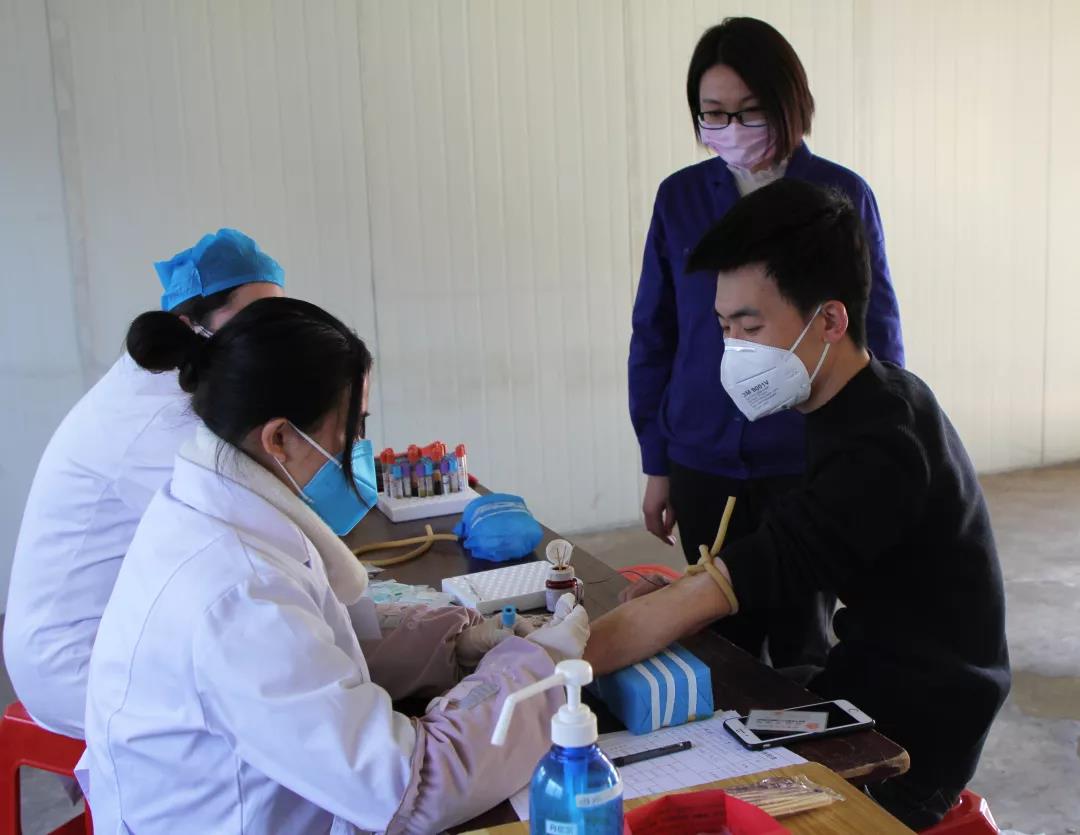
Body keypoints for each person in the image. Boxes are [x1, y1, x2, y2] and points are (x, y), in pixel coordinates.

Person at [79, 297, 590, 834]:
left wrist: (451, 645)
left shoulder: (214, 505)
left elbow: (317, 646)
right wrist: (536, 671)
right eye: (354, 426)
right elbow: (413, 789)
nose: (358, 447)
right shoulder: (239, 592)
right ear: (279, 438)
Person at [596, 180, 1009, 829]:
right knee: (698, 720)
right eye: (724, 327)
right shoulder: (850, 399)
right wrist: (684, 593)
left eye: (750, 326)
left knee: (668, 782)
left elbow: (761, 566)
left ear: (830, 321)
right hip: (865, 677)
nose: (734, 349)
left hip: (913, 737)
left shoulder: (883, 441)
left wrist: (543, 666)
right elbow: (776, 559)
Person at [628, 17, 905, 668]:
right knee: (714, 640)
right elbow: (655, 331)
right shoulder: (680, 198)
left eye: (749, 111)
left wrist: (878, 450)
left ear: (789, 104)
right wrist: (657, 461)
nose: (731, 127)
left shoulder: (839, 195)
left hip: (802, 458)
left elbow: (878, 331)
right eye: (713, 113)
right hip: (702, 458)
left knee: (803, 645)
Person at [4, 228, 285, 738]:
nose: (268, 341)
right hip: (76, 665)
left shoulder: (164, 388)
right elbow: (249, 534)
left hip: (121, 628)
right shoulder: (160, 419)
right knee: (272, 705)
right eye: (252, 323)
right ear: (188, 325)